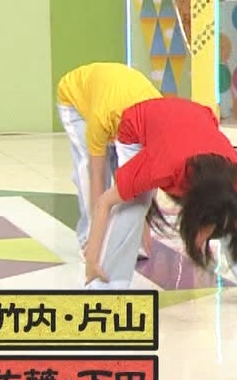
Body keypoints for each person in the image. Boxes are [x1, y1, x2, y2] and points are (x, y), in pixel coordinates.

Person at [81, 96, 237, 308]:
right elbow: (105, 203)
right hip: (138, 124)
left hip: (196, 118)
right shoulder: (158, 167)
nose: (202, 240)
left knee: (228, 209)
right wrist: (92, 260)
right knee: (133, 205)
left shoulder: (233, 170)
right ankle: (106, 286)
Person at [55, 62, 161, 259]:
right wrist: (96, 241)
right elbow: (95, 175)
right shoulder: (101, 119)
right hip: (75, 101)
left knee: (131, 175)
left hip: (116, 99)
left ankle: (127, 236)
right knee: (90, 167)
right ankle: (88, 238)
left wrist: (144, 226)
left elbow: (148, 177)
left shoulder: (156, 115)